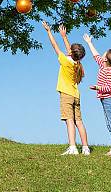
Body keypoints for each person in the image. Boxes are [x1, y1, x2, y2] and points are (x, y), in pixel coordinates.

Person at [42, 21, 90, 155]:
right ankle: (85, 148)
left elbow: (54, 46)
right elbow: (71, 51)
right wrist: (64, 36)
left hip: (66, 95)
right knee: (79, 121)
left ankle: (73, 147)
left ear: (72, 53)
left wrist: (49, 31)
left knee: (69, 121)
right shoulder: (78, 64)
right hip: (76, 95)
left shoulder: (65, 61)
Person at [83, 33, 111, 157]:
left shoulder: (109, 71)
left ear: (107, 59)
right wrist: (89, 43)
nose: (101, 55)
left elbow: (108, 88)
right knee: (109, 125)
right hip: (105, 99)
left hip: (110, 99)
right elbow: (95, 55)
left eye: (104, 54)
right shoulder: (103, 66)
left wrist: (97, 87)